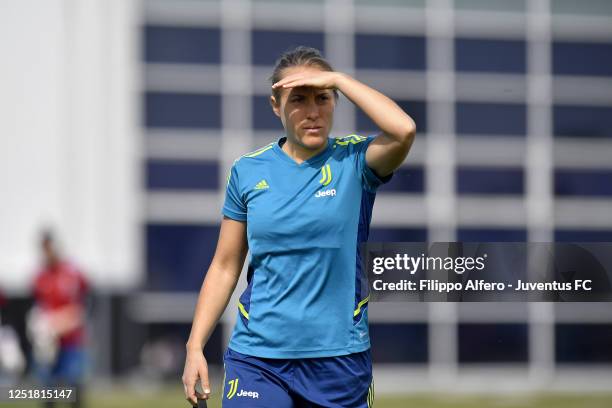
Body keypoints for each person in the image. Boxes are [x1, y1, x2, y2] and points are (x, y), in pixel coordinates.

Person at [182, 46, 416, 407]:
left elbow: (403, 130)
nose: (312, 112)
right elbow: (225, 265)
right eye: (298, 99)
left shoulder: (354, 161)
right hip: (257, 358)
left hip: (338, 360)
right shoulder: (248, 171)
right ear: (276, 105)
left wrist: (338, 78)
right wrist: (195, 345)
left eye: (323, 98)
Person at [30, 231, 89, 408]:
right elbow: (37, 308)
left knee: (74, 387)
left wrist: (71, 319)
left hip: (71, 341)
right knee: (48, 388)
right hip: (49, 343)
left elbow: (86, 303)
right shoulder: (40, 277)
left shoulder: (72, 273)